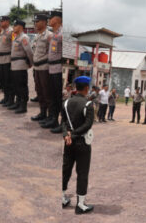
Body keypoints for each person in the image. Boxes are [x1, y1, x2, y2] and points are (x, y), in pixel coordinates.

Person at [61, 75, 95, 214]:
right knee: (82, 172)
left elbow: (63, 121)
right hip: (81, 142)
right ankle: (80, 204)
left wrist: (66, 135)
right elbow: (88, 124)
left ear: (76, 87)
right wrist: (74, 135)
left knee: (66, 169)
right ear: (86, 88)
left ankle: (62, 197)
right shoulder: (88, 104)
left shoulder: (66, 102)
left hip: (68, 142)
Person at [44, 9, 64, 133]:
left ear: (57, 19)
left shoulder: (62, 34)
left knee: (59, 97)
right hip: (51, 68)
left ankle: (63, 124)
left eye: (51, 18)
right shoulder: (54, 34)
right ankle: (53, 119)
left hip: (58, 69)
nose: (49, 21)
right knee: (52, 96)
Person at [31, 13, 53, 122]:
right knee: (39, 91)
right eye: (35, 22)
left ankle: (50, 116)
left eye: (37, 21)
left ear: (44, 22)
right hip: (37, 68)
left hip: (45, 68)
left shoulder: (49, 35)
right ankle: (42, 113)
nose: (35, 23)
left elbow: (52, 53)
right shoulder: (37, 36)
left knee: (46, 92)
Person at [9, 18, 34, 114]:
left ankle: (23, 105)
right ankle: (18, 102)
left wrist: (31, 62)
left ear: (20, 27)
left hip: (20, 65)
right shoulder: (16, 37)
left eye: (15, 26)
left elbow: (29, 52)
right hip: (14, 65)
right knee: (16, 86)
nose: (13, 28)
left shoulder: (24, 38)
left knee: (21, 86)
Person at [0, 14, 14, 107]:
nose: (0, 23)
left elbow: (14, 46)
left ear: (7, 22)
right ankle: (6, 97)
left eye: (2, 21)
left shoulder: (11, 32)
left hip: (8, 59)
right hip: (1, 59)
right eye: (0, 21)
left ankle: (10, 99)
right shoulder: (2, 32)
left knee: (8, 80)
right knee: (3, 80)